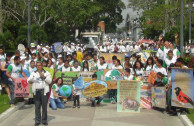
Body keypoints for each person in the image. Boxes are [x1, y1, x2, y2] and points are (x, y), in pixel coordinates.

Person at [27, 61, 52, 126]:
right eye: (37, 65)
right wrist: (30, 81)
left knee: (44, 107)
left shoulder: (46, 73)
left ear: (42, 66)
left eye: (39, 65)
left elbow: (49, 81)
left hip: (44, 92)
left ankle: (44, 120)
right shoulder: (33, 73)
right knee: (37, 107)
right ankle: (37, 120)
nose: (38, 66)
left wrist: (44, 77)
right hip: (36, 92)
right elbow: (28, 80)